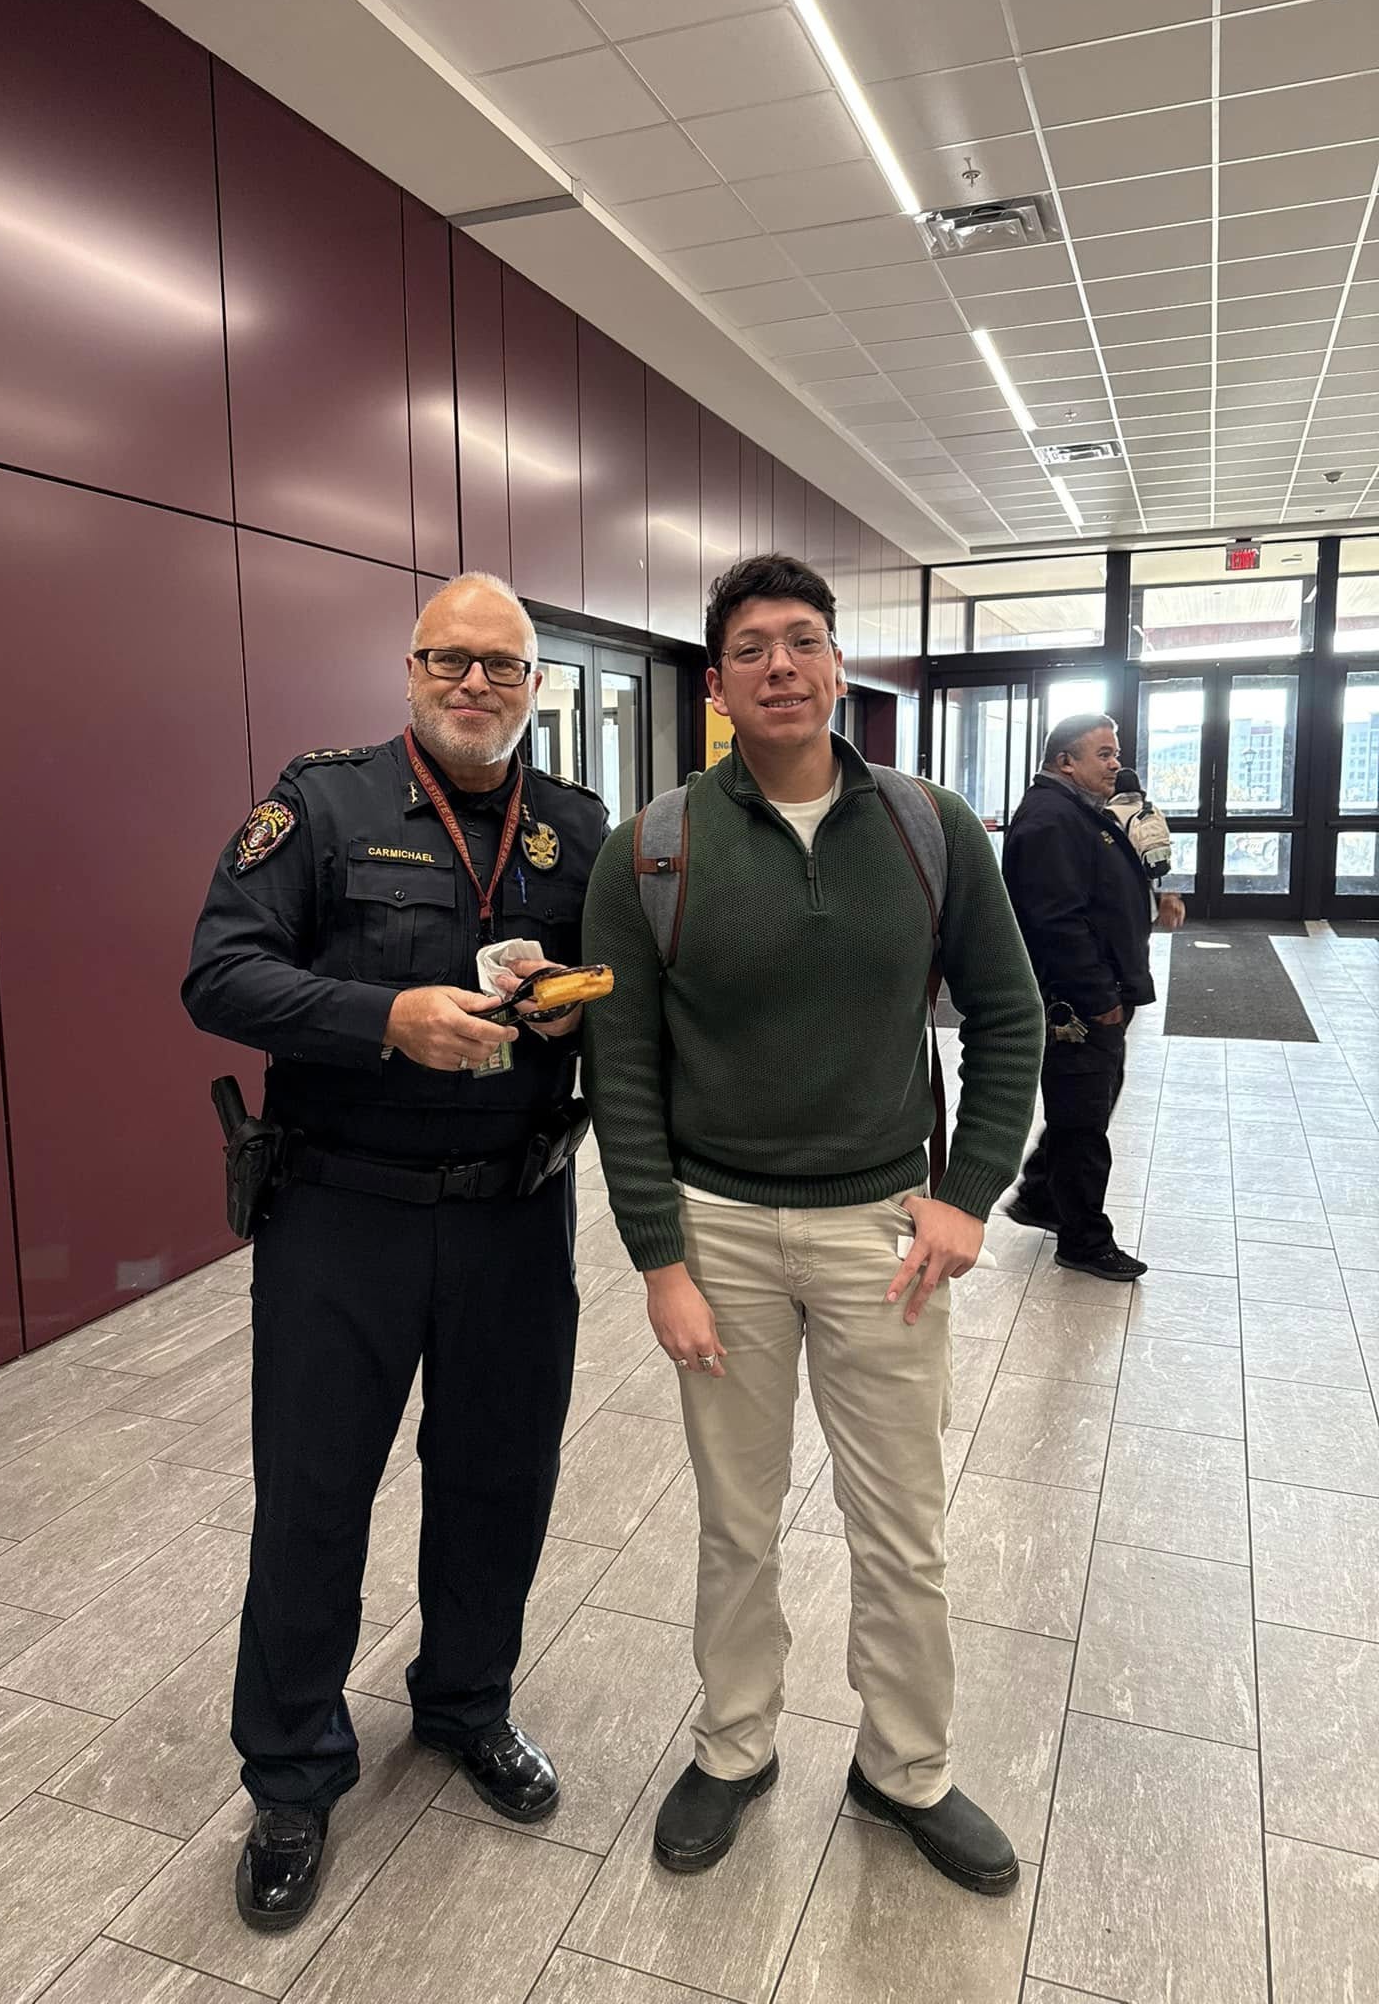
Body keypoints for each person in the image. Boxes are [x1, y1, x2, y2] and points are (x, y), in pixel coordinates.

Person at [581, 553, 1044, 1895]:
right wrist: (659, 1260)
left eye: (802, 641)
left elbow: (1010, 1016)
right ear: (716, 683)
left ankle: (906, 1769)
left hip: (881, 1233)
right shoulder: (655, 848)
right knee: (737, 1519)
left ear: (837, 665)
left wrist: (970, 1197)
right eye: (751, 648)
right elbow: (622, 1072)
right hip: (718, 1230)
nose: (779, 666)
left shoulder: (929, 826)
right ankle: (735, 1747)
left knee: (901, 1522)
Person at [183, 572, 608, 1931]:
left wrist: (568, 1018)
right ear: (412, 670)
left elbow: (626, 1002)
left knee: (499, 1480)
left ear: (538, 684)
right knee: (315, 1495)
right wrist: (386, 1016)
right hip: (341, 1219)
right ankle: (294, 1774)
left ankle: (466, 1704)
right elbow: (220, 974)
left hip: (515, 1212)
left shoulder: (577, 832)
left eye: (503, 665)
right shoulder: (319, 805)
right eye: (450, 659)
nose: (476, 683)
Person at [1001, 714, 1184, 1281]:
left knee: (1089, 1102)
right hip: (1077, 1003)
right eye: (1103, 755)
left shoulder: (1083, 812)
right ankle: (1083, 1239)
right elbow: (1056, 922)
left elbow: (1103, 882)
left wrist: (1158, 886)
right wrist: (1098, 995)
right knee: (1083, 1120)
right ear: (1065, 763)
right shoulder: (1049, 821)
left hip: (1101, 992)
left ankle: (1039, 1195)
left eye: (1116, 753)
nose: (1116, 764)